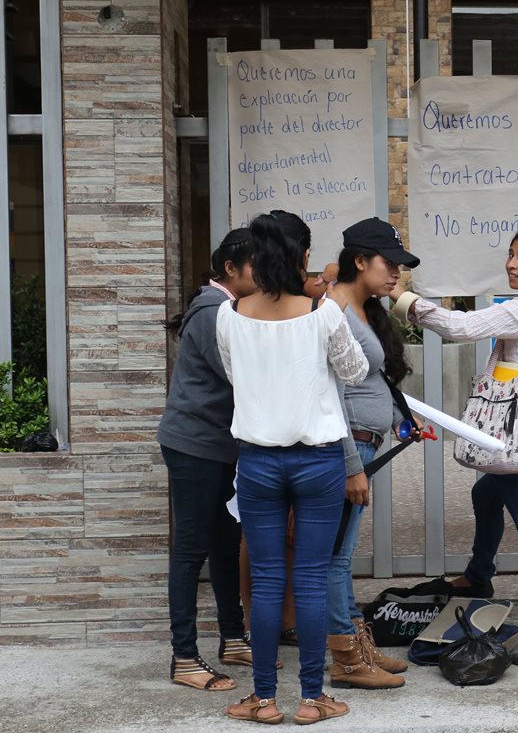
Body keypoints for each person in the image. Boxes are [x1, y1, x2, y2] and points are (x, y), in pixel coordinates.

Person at [389, 225, 518, 669]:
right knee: (485, 495)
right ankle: (479, 577)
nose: (511, 264)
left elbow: (460, 327)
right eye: (510, 255)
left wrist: (402, 299)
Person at [216, 210, 369, 725]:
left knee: (264, 580)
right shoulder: (323, 312)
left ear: (254, 257)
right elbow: (355, 371)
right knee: (308, 579)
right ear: (303, 255)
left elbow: (237, 376)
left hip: (258, 460)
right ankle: (311, 698)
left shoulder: (230, 313)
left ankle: (262, 699)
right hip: (318, 460)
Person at [318, 218, 420, 690]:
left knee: (342, 555)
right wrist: (351, 465)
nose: (396, 273)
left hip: (365, 442)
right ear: (359, 261)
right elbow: (331, 396)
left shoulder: (360, 308)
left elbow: (370, 384)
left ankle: (359, 644)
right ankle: (347, 660)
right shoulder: (333, 310)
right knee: (336, 558)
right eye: (389, 263)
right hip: (349, 448)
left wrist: (398, 421)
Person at [159, 229, 256, 692]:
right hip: (195, 444)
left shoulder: (228, 308)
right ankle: (184, 658)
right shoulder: (213, 311)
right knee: (192, 549)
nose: (263, 273)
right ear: (231, 269)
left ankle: (233, 638)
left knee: (225, 542)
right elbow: (244, 375)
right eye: (255, 265)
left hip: (218, 445)